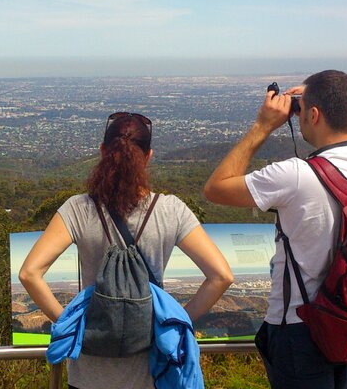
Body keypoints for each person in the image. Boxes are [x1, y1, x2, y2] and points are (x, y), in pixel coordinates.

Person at [203, 70, 347, 389]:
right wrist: (315, 95)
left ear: (315, 114)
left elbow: (216, 188)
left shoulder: (295, 175)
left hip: (299, 329)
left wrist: (263, 125)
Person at [20, 112, 234, 389]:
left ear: (102, 152)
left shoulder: (79, 209)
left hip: (89, 374)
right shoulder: (171, 211)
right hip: (150, 372)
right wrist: (174, 321)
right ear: (148, 157)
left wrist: (73, 324)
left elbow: (29, 273)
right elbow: (221, 276)